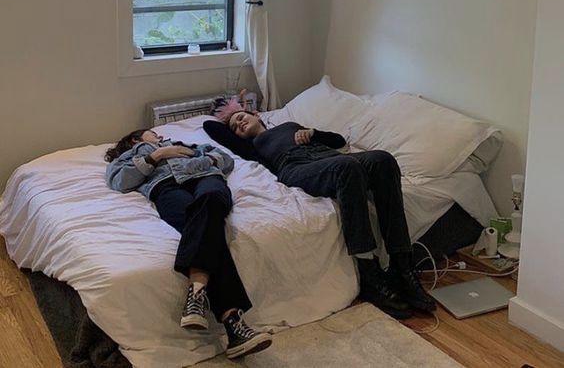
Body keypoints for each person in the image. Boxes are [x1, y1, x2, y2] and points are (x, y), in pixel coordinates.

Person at [204, 100, 436, 320]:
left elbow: (339, 141)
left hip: (327, 157)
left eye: (242, 118)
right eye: (236, 127)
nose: (240, 124)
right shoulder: (251, 146)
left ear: (256, 115)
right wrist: (232, 109)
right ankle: (369, 274)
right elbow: (210, 126)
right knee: (347, 167)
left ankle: (402, 268)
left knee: (383, 160)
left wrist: (314, 133)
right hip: (295, 167)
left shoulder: (289, 125)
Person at [105, 129, 272, 360]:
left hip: (206, 179)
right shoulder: (129, 156)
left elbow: (224, 159)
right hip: (166, 187)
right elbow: (119, 182)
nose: (159, 136)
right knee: (206, 229)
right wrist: (157, 155)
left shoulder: (186, 145)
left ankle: (197, 293)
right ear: (136, 139)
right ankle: (234, 326)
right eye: (153, 134)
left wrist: (199, 159)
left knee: (210, 202)